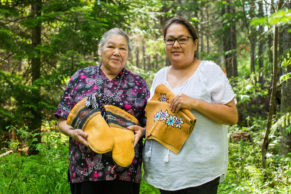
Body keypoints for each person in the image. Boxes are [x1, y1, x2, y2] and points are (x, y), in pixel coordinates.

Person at [142, 16, 238, 194]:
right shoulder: (160, 76)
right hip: (166, 173)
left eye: (182, 39)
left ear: (195, 44)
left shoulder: (208, 71)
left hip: (199, 173)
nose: (176, 45)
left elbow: (232, 116)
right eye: (170, 40)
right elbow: (157, 117)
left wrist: (195, 103)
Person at [55, 28, 149, 194]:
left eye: (122, 48)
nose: (116, 52)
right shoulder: (81, 77)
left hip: (125, 171)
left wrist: (142, 131)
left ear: (128, 54)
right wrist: (72, 132)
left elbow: (149, 125)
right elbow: (62, 119)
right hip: (85, 170)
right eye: (111, 46)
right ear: (100, 49)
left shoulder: (138, 83)